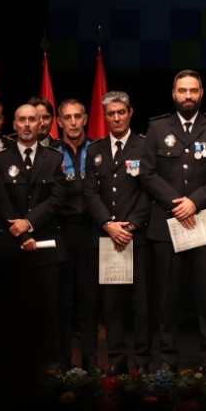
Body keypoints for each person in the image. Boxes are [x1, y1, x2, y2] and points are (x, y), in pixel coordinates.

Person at [140, 69, 206, 371]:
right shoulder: (157, 127)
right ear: (174, 94)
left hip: (203, 221)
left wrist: (195, 201)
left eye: (193, 90)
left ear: (202, 93)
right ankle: (168, 360)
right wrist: (176, 204)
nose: (188, 96)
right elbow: (147, 172)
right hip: (167, 223)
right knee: (167, 298)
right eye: (183, 90)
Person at [0, 101, 72, 370]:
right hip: (10, 245)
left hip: (45, 244)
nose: (26, 124)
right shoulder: (0, 160)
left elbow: (57, 199)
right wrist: (21, 234)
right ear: (13, 125)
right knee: (11, 310)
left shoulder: (55, 158)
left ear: (41, 124)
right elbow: (0, 203)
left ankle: (50, 366)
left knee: (48, 310)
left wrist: (29, 223)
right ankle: (13, 366)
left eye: (32, 120)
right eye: (21, 120)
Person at [87, 91, 151, 374]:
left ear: (130, 112)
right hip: (108, 238)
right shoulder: (95, 150)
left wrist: (132, 225)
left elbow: (150, 191)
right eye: (111, 113)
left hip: (137, 237)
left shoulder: (146, 146)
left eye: (121, 112)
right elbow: (90, 193)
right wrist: (108, 224)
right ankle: (116, 360)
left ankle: (144, 360)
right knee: (111, 305)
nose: (116, 117)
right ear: (105, 116)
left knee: (141, 304)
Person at [54, 98, 100, 368]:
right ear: (59, 121)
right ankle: (63, 358)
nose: (73, 122)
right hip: (61, 231)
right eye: (67, 117)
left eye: (78, 116)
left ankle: (90, 357)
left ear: (85, 119)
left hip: (92, 231)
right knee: (63, 299)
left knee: (89, 298)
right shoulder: (50, 152)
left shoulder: (97, 150)